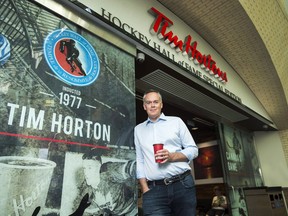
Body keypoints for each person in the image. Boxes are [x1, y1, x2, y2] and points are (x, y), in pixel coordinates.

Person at [134, 89, 199, 216]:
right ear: (144, 106)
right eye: (148, 102)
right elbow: (139, 160)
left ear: (161, 104)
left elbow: (193, 149)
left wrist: (172, 156)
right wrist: (144, 188)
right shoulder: (138, 130)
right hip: (154, 190)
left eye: (155, 102)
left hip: (182, 185)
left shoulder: (176, 122)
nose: (152, 105)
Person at [80, 148, 137, 215]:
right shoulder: (87, 191)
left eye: (89, 168)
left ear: (99, 166)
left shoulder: (109, 171)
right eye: (84, 168)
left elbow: (133, 167)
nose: (86, 173)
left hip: (132, 210)